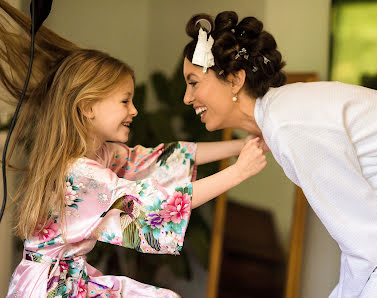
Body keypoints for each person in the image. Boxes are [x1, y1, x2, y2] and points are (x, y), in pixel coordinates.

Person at [0, 3, 266, 298]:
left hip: (65, 277)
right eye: (125, 101)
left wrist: (241, 145)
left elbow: (160, 159)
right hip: (51, 288)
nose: (135, 110)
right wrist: (239, 172)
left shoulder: (100, 154)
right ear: (88, 107)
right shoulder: (80, 173)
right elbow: (154, 208)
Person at [181, 11, 377, 298]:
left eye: (193, 82)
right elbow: (363, 235)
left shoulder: (287, 124)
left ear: (235, 80)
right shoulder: (281, 115)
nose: (186, 97)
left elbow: (364, 240)